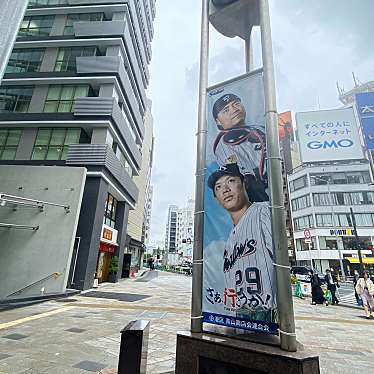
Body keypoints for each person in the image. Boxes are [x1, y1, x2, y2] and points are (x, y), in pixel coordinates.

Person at [207, 162, 276, 323]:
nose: (225, 189)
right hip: (240, 311)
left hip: (265, 311)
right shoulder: (230, 238)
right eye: (218, 187)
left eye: (230, 181)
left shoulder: (263, 211)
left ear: (244, 183)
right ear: (217, 199)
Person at [212, 93, 269, 202]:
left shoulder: (259, 128)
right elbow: (246, 180)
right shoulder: (223, 145)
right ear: (218, 121)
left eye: (236, 104)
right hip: (261, 200)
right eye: (226, 110)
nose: (234, 110)